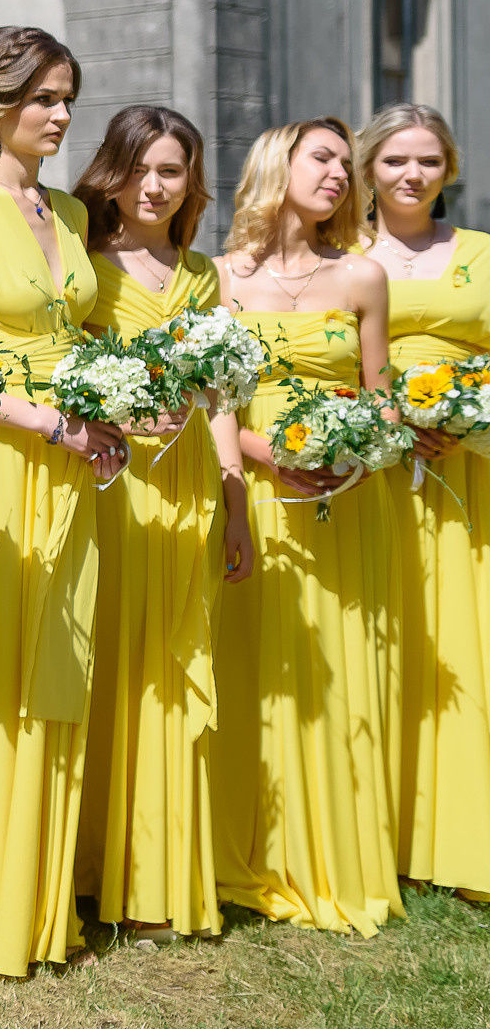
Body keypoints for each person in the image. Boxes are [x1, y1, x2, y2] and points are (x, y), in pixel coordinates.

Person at [0, 26, 125, 976]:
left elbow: (81, 334)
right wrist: (46, 423)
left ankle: (44, 901)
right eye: (44, 96)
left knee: (59, 662)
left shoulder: (76, 219)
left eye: (68, 96)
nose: (62, 114)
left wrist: (108, 404)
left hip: (73, 458)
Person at [210, 118, 401, 936]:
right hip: (258, 493)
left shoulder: (362, 276)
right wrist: (265, 456)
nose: (338, 172)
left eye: (344, 164)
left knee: (338, 670)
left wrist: (357, 449)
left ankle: (336, 855)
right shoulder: (222, 278)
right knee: (254, 668)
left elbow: (383, 391)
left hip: (344, 504)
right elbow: (214, 397)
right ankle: (246, 849)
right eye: (321, 156)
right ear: (276, 163)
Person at [69, 107, 253, 940]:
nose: (154, 185)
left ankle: (157, 871)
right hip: (112, 483)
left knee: (174, 667)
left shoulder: (204, 276)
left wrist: (234, 497)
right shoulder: (83, 268)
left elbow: (219, 398)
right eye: (139, 168)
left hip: (186, 488)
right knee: (110, 667)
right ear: (111, 172)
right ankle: (88, 866)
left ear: (191, 181)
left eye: (172, 170)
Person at [355, 103, 488, 902]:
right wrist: (386, 421)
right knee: (386, 629)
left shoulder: (478, 253)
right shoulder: (343, 252)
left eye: (429, 162)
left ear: (450, 170)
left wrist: (467, 414)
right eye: (396, 160)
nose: (412, 175)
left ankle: (464, 832)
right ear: (369, 168)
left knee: (460, 636)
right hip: (368, 467)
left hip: (467, 472)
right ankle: (383, 832)